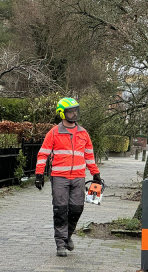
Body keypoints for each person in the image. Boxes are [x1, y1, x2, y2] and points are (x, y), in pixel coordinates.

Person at [34, 97, 103, 257]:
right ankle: (60, 244)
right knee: (60, 210)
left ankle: (68, 236)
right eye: (70, 111)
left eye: (75, 110)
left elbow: (89, 155)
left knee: (76, 208)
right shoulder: (54, 132)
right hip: (59, 177)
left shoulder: (83, 133)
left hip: (79, 177)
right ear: (62, 113)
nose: (74, 113)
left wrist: (95, 173)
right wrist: (39, 174)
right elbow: (43, 154)